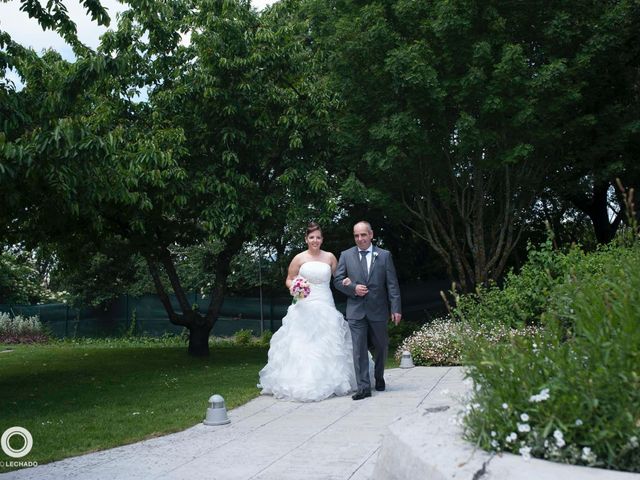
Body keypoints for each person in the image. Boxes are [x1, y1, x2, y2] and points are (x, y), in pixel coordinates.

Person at [258, 222, 357, 402]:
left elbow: (339, 278)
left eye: (318, 237)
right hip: (304, 305)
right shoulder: (299, 258)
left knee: (329, 342)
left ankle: (333, 381)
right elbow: (289, 279)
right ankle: (303, 382)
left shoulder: (330, 258)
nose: (315, 240)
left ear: (322, 239)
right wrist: (295, 287)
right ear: (306, 239)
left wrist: (348, 281)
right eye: (312, 237)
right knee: (303, 344)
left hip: (326, 303)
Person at [333, 221, 402, 400]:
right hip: (356, 310)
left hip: (378, 309)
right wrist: (353, 288)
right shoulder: (346, 255)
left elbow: (392, 284)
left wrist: (396, 308)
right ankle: (363, 387)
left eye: (363, 235)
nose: (360, 238)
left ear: (371, 235)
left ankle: (378, 377)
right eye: (356, 235)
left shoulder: (384, 255)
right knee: (359, 350)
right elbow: (338, 280)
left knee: (381, 346)